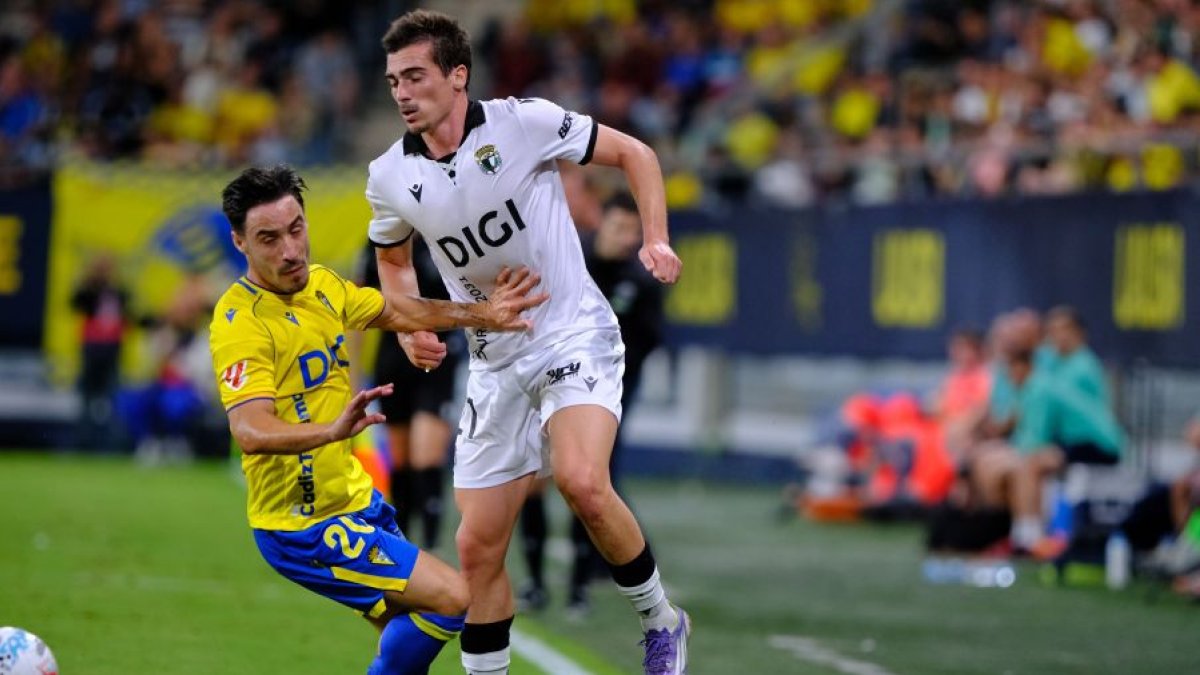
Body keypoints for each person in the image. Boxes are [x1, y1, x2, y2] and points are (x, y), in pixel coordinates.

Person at [365, 11, 687, 675]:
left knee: (580, 480)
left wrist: (654, 235)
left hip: (572, 331)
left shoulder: (522, 122)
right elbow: (393, 262)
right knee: (477, 548)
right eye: (394, 79)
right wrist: (419, 324)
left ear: (458, 76)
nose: (401, 91)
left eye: (416, 75)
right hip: (493, 362)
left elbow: (637, 153)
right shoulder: (389, 175)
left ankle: (661, 619)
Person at [208, 165, 547, 674]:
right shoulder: (241, 324)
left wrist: (487, 314)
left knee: (404, 634)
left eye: (296, 229)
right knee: (453, 597)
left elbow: (400, 310)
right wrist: (331, 431)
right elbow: (250, 430)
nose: (290, 250)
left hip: (354, 500)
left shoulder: (321, 286)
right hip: (301, 523)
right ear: (240, 243)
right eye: (269, 238)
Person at [517, 191, 665, 617]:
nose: (626, 238)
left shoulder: (640, 279)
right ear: (602, 221)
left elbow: (651, 338)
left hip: (609, 387)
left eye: (635, 232)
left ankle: (581, 587)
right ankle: (536, 582)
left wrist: (609, 365)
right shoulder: (570, 259)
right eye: (620, 227)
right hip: (551, 378)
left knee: (590, 479)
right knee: (536, 478)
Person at [359, 236, 464, 550]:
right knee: (401, 460)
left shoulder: (444, 234)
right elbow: (360, 307)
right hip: (393, 360)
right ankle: (403, 546)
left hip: (438, 357)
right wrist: (352, 373)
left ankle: (432, 547)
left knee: (425, 455)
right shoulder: (379, 240)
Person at [70, 253, 130, 450]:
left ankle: (111, 443)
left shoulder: (117, 292)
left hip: (111, 349)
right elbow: (75, 302)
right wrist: (88, 278)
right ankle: (83, 441)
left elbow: (129, 310)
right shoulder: (90, 290)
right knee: (87, 396)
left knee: (112, 396)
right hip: (92, 347)